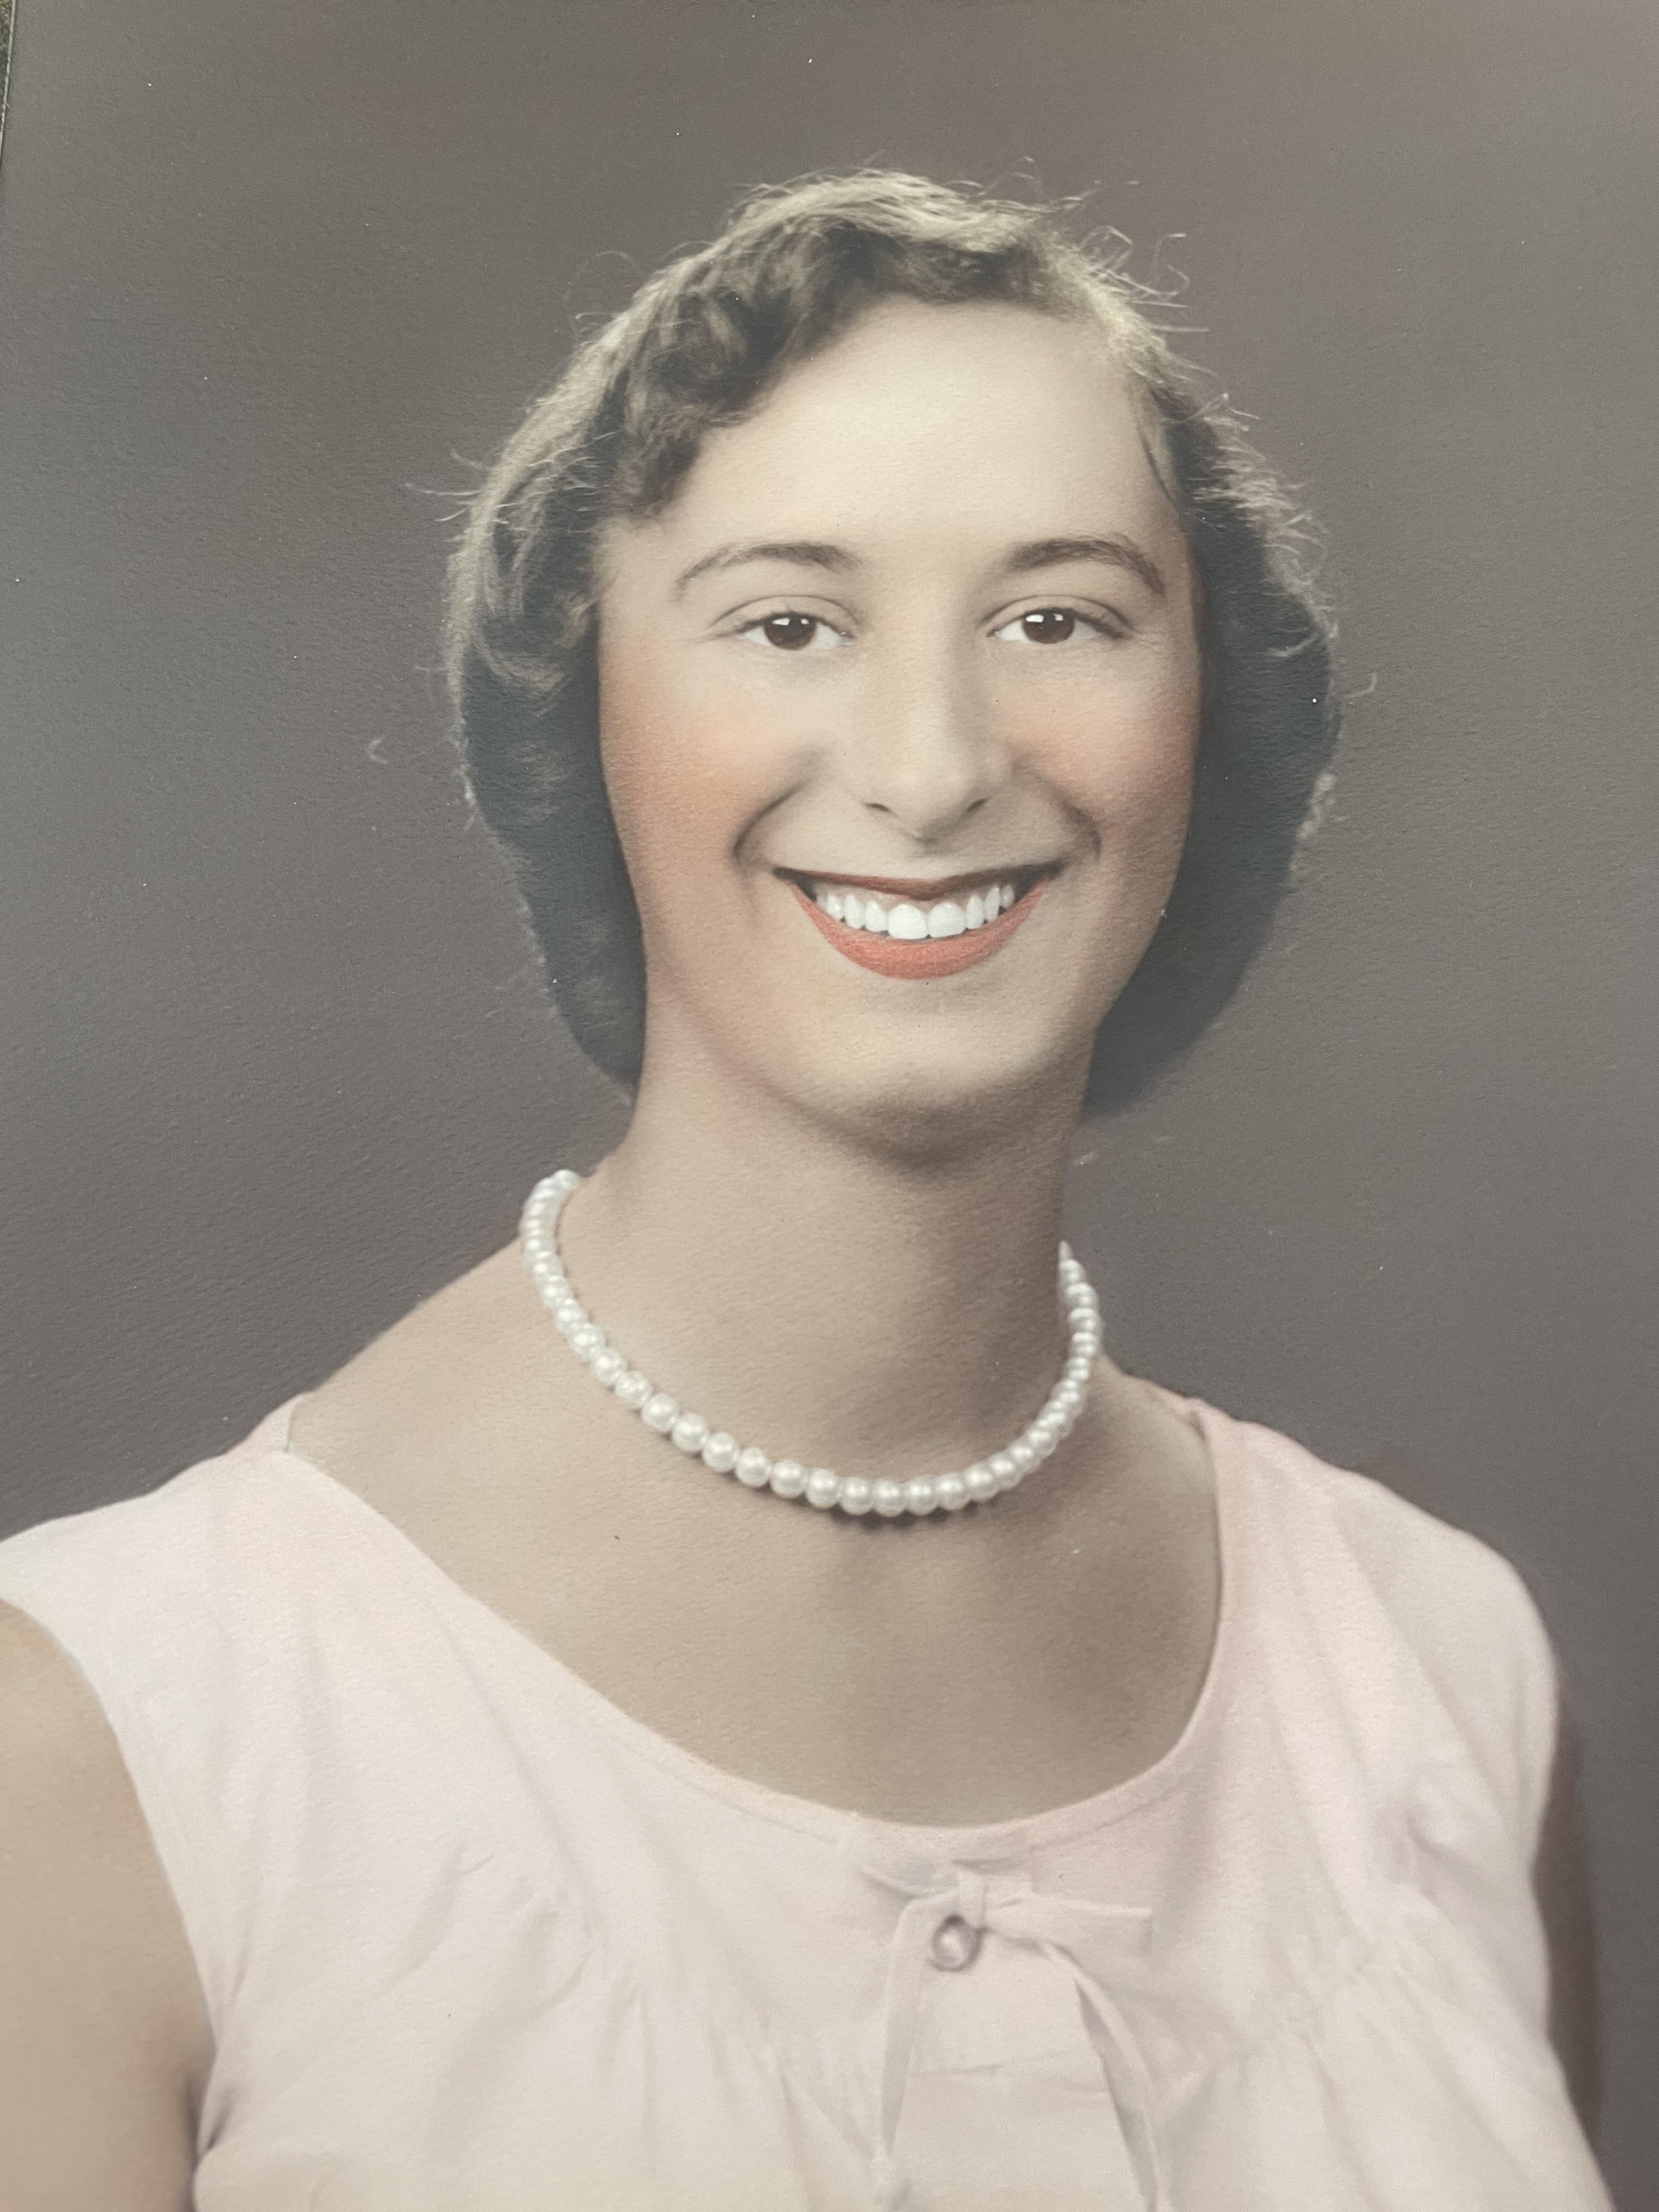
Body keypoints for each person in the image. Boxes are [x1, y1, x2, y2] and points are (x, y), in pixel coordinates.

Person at [0, 172, 1611, 2211]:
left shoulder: (1439, 1680)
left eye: (1057, 619)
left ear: (1207, 715)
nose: (932, 765)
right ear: (590, 709)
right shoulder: (112, 1741)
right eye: (789, 621)